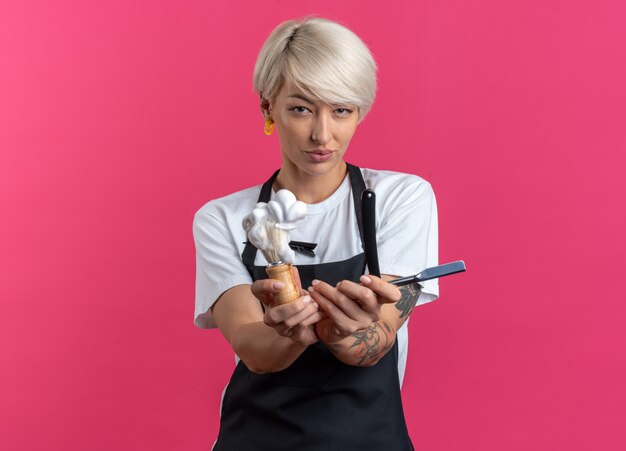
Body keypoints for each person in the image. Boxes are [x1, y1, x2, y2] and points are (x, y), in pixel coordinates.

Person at [193, 17, 438, 450]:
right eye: (301, 108)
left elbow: (376, 342)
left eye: (340, 110)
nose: (322, 134)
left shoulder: (401, 198)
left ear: (359, 111)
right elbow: (253, 348)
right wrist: (292, 334)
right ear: (269, 108)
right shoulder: (223, 218)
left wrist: (343, 333)